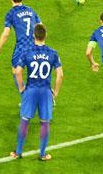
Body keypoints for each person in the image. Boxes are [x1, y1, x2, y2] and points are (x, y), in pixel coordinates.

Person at [10, 24, 63, 161]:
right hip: (45, 92)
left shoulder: (27, 52)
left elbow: (18, 72)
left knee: (25, 120)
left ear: (34, 35)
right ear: (45, 36)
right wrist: (55, 92)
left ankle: (18, 152)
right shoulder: (53, 53)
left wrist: (22, 88)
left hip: (31, 90)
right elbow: (60, 75)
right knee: (45, 122)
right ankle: (43, 154)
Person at [0, 0, 43, 96]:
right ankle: (48, 97)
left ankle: (26, 98)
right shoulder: (31, 10)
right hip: (35, 46)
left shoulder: (11, 13)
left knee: (16, 71)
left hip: (21, 47)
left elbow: (6, 33)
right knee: (36, 73)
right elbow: (41, 27)